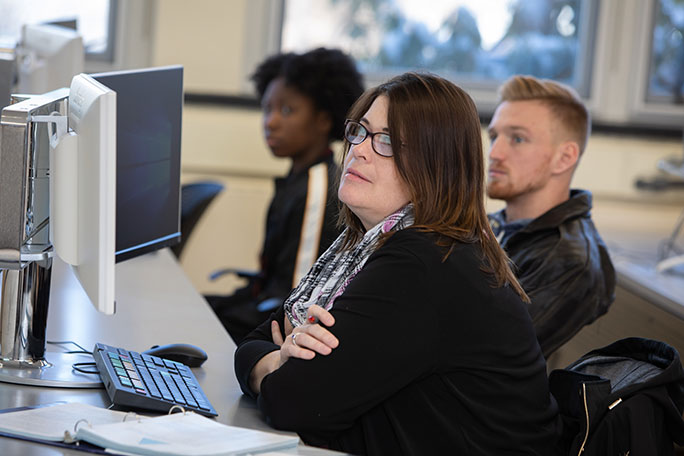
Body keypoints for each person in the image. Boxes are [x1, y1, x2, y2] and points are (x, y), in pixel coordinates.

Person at [235, 73, 561, 455]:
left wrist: (272, 369)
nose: (359, 150)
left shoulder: (425, 261)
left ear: (437, 166)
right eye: (360, 131)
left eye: (387, 141)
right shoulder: (357, 247)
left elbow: (290, 403)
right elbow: (257, 341)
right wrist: (275, 362)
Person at [207, 48, 364, 343]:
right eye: (267, 109)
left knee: (193, 316)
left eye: (287, 110)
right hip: (262, 305)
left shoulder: (318, 189)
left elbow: (297, 304)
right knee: (191, 307)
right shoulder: (297, 179)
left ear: (323, 119)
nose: (271, 121)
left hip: (280, 332)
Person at [486, 75, 616, 358]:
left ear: (564, 158)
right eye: (494, 136)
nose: (494, 153)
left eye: (517, 139)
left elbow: (483, 359)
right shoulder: (496, 226)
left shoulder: (568, 261)